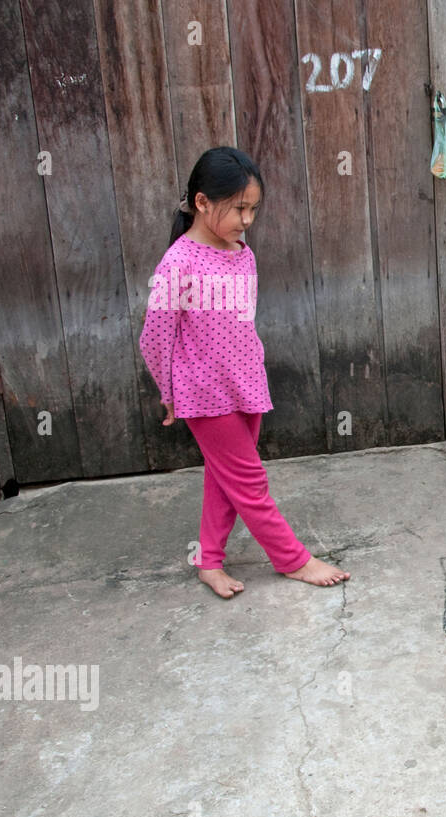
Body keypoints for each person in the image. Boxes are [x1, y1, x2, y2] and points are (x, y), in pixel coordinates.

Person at [139, 146, 349, 598]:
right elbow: (154, 336)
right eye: (239, 208)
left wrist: (251, 369)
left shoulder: (241, 251)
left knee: (225, 477)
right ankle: (293, 559)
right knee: (250, 482)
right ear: (201, 202)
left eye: (253, 208)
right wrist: (169, 393)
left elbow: (240, 323)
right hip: (204, 394)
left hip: (246, 384)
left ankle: (208, 561)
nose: (247, 219)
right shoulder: (179, 262)